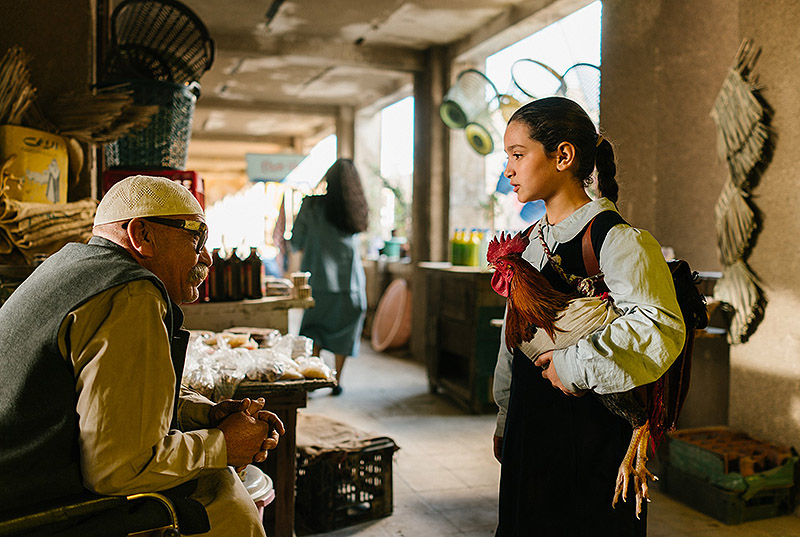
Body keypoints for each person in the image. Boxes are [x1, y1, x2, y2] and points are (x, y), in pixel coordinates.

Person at [0, 175, 285, 537]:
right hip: (30, 509)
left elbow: (106, 397)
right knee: (225, 497)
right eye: (196, 237)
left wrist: (204, 413)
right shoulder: (132, 295)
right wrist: (223, 445)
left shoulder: (67, 264)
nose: (208, 258)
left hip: (19, 485)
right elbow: (116, 470)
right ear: (142, 235)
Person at [492, 97, 685, 536]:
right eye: (508, 157)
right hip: (531, 428)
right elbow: (513, 339)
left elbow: (658, 326)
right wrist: (506, 417)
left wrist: (572, 364)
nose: (509, 170)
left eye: (518, 155)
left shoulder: (617, 241)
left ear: (563, 156)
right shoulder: (529, 244)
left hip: (589, 435)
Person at [290, 158, 369, 396]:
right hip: (351, 285)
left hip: (319, 284)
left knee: (314, 332)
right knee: (345, 334)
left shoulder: (312, 206)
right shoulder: (356, 208)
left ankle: (315, 379)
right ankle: (336, 380)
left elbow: (296, 241)